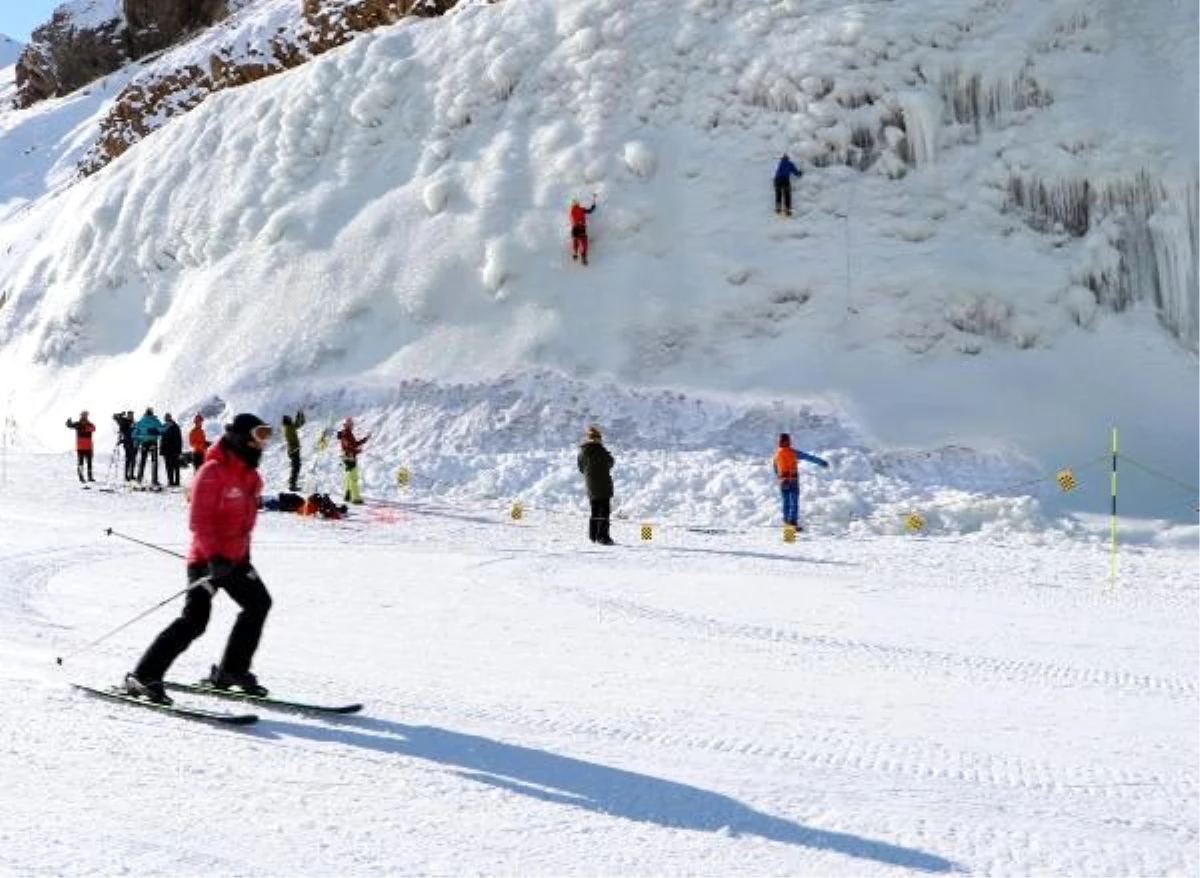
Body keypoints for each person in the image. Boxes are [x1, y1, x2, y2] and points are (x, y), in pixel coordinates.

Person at [124, 414, 275, 704]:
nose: (262, 442)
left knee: (258, 604)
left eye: (266, 435)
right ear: (240, 436)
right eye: (259, 434)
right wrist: (215, 558)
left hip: (236, 560)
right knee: (194, 621)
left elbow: (244, 523)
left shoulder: (251, 476)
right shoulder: (212, 471)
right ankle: (143, 676)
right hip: (207, 560)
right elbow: (200, 522)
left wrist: (242, 556)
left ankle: (232, 671)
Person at [772, 432, 829, 529]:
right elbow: (808, 457)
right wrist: (821, 462)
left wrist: (780, 477)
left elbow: (775, 468)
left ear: (779, 442)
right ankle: (792, 523)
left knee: (786, 502)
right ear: (789, 442)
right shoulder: (793, 452)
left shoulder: (777, 454)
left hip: (783, 481)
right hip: (793, 480)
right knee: (794, 502)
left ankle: (787, 524)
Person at [577, 423, 615, 545]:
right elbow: (610, 463)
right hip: (603, 486)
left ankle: (593, 535)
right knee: (604, 511)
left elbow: (581, 468)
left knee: (594, 510)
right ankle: (603, 537)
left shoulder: (582, 452)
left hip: (591, 486)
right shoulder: (601, 451)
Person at [336, 417, 370, 504]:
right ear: (347, 425)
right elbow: (350, 446)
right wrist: (357, 451)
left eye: (352, 424)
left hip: (346, 457)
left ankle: (348, 495)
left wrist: (363, 440)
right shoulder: (347, 433)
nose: (352, 426)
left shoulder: (345, 433)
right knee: (353, 478)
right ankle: (355, 498)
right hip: (350, 457)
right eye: (350, 424)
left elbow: (352, 444)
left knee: (349, 477)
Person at [132, 407, 164, 486]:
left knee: (142, 461)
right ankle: (154, 481)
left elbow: (134, 434)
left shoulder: (141, 421)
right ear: (152, 413)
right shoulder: (156, 421)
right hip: (153, 442)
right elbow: (162, 430)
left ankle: (139, 479)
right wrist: (156, 432)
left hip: (144, 443)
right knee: (154, 461)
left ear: (145, 413)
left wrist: (140, 438)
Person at [65, 411, 96, 482]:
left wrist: (83, 428)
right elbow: (70, 426)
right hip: (81, 447)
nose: (85, 416)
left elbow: (93, 428)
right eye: (83, 415)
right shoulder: (78, 424)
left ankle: (89, 477)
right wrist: (68, 423)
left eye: (86, 415)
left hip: (88, 447)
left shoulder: (89, 424)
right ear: (81, 416)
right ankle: (81, 477)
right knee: (81, 463)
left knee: (89, 463)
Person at [281, 410, 306, 492]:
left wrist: (299, 416)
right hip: (294, 450)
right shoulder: (289, 428)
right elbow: (299, 423)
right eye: (290, 419)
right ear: (288, 421)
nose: (291, 420)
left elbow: (298, 424)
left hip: (292, 450)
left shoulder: (286, 427)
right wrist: (300, 415)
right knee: (296, 468)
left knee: (296, 467)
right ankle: (292, 485)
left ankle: (292, 484)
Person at [568, 196, 597, 265]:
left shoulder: (571, 211)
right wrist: (593, 205)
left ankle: (575, 253)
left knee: (575, 241)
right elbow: (590, 211)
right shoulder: (581, 209)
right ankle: (584, 257)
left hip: (574, 228)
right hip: (581, 228)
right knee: (584, 242)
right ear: (578, 204)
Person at [159, 413, 184, 487]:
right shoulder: (174, 426)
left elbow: (179, 439)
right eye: (166, 418)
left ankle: (174, 482)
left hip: (171, 450)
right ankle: (172, 481)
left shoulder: (173, 426)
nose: (166, 419)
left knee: (173, 466)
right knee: (172, 466)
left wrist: (179, 450)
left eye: (167, 418)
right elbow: (162, 439)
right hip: (170, 450)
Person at [113, 410, 136, 481]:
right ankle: (128, 475)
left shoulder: (133, 422)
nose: (131, 416)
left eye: (132, 415)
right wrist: (121, 414)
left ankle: (130, 475)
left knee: (131, 459)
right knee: (130, 458)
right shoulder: (124, 421)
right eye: (130, 415)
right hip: (127, 442)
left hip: (132, 442)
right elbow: (115, 416)